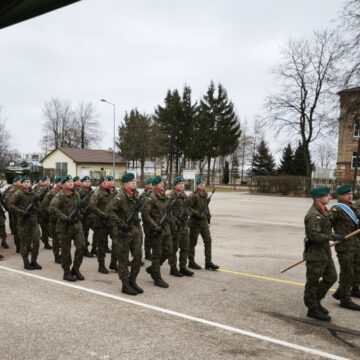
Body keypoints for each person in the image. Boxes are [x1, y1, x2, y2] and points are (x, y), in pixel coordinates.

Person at [303, 186, 338, 321]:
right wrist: (333, 237)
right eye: (326, 195)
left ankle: (316, 301)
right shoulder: (313, 215)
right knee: (312, 282)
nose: (329, 197)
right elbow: (314, 236)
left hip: (325, 252)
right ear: (318, 198)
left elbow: (332, 221)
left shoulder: (324, 211)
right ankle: (312, 309)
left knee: (332, 277)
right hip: (315, 254)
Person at [109, 173, 143, 295]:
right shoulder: (120, 196)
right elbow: (111, 212)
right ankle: (125, 285)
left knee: (138, 257)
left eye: (134, 180)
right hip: (123, 233)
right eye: (131, 181)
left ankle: (132, 281)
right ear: (125, 183)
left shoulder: (135, 194)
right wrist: (122, 224)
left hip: (135, 231)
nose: (134, 182)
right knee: (123, 260)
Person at [50, 175, 86, 282]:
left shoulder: (76, 194)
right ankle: (66, 272)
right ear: (64, 184)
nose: (71, 183)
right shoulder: (60, 195)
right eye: (68, 181)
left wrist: (80, 214)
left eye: (71, 181)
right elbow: (52, 208)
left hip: (76, 225)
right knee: (66, 250)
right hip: (64, 226)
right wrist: (65, 217)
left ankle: (75, 269)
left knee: (82, 246)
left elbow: (78, 207)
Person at [331, 184, 360, 310]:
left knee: (356, 271)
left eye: (351, 193)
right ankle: (345, 299)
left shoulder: (353, 207)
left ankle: (341, 292)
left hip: (356, 244)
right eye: (347, 194)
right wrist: (335, 236)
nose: (350, 195)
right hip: (345, 246)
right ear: (340, 196)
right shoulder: (336, 209)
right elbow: (324, 226)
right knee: (347, 272)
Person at [142, 176, 173, 288]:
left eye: (163, 182)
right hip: (156, 230)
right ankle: (157, 278)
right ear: (155, 185)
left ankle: (153, 269)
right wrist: (155, 226)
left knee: (169, 251)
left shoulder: (165, 196)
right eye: (160, 183)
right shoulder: (151, 198)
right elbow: (145, 215)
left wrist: (172, 224)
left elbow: (169, 212)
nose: (162, 184)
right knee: (157, 253)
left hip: (166, 228)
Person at [8, 176, 42, 270]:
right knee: (25, 243)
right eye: (26, 182)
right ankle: (26, 262)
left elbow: (39, 205)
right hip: (23, 222)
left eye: (29, 182)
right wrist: (21, 212)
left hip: (34, 222)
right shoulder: (18, 193)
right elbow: (10, 205)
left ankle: (34, 261)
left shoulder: (33, 193)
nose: (27, 183)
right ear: (22, 183)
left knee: (36, 241)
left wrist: (37, 209)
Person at [188, 176, 219, 270]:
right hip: (195, 222)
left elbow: (206, 207)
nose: (202, 185)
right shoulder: (193, 195)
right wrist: (197, 214)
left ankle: (208, 262)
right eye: (201, 183)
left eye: (204, 183)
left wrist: (208, 216)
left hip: (203, 222)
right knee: (192, 242)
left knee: (208, 240)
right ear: (197, 185)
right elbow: (188, 208)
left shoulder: (205, 194)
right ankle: (191, 261)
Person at [167, 176, 194, 277]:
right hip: (175, 226)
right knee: (174, 248)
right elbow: (167, 211)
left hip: (184, 225)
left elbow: (188, 207)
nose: (182, 185)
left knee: (185, 247)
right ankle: (173, 268)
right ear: (175, 185)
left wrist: (188, 213)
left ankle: (183, 267)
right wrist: (175, 221)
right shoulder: (171, 195)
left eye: (182, 183)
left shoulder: (184, 195)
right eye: (179, 184)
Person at [89, 176, 112, 274]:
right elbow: (92, 206)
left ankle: (113, 263)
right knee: (101, 244)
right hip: (100, 222)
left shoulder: (109, 192)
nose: (106, 183)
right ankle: (101, 265)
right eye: (104, 182)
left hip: (109, 222)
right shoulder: (97, 193)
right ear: (100, 183)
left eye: (107, 181)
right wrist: (103, 215)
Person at [42, 176, 63, 263]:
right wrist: (52, 212)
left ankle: (62, 255)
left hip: (63, 219)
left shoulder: (65, 192)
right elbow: (44, 205)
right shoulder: (51, 193)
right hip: (55, 219)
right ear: (57, 183)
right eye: (60, 182)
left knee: (64, 239)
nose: (62, 183)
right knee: (56, 239)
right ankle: (56, 256)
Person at [78, 176, 95, 258]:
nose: (88, 182)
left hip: (92, 216)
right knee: (85, 234)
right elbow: (77, 204)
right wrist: (82, 211)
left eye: (88, 181)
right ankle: (84, 251)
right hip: (84, 217)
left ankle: (94, 249)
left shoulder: (91, 191)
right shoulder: (80, 192)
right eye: (86, 181)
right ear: (82, 183)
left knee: (98, 232)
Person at [5, 176, 23, 252]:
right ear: (15, 182)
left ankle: (22, 246)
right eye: (19, 180)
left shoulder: (21, 189)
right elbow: (8, 200)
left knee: (22, 230)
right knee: (17, 231)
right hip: (15, 213)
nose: (20, 182)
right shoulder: (13, 190)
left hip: (21, 213)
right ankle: (18, 247)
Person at [37, 176, 53, 250]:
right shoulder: (41, 190)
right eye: (46, 180)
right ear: (42, 182)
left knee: (50, 228)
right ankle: (46, 243)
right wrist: (41, 210)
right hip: (43, 212)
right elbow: (37, 201)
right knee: (45, 229)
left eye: (48, 180)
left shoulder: (51, 189)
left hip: (50, 211)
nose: (48, 181)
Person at [142, 178, 153, 260]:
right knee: (148, 236)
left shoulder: (153, 193)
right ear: (147, 185)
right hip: (146, 217)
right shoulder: (144, 194)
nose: (151, 185)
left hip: (153, 217)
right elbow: (140, 206)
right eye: (150, 183)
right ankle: (147, 253)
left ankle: (150, 252)